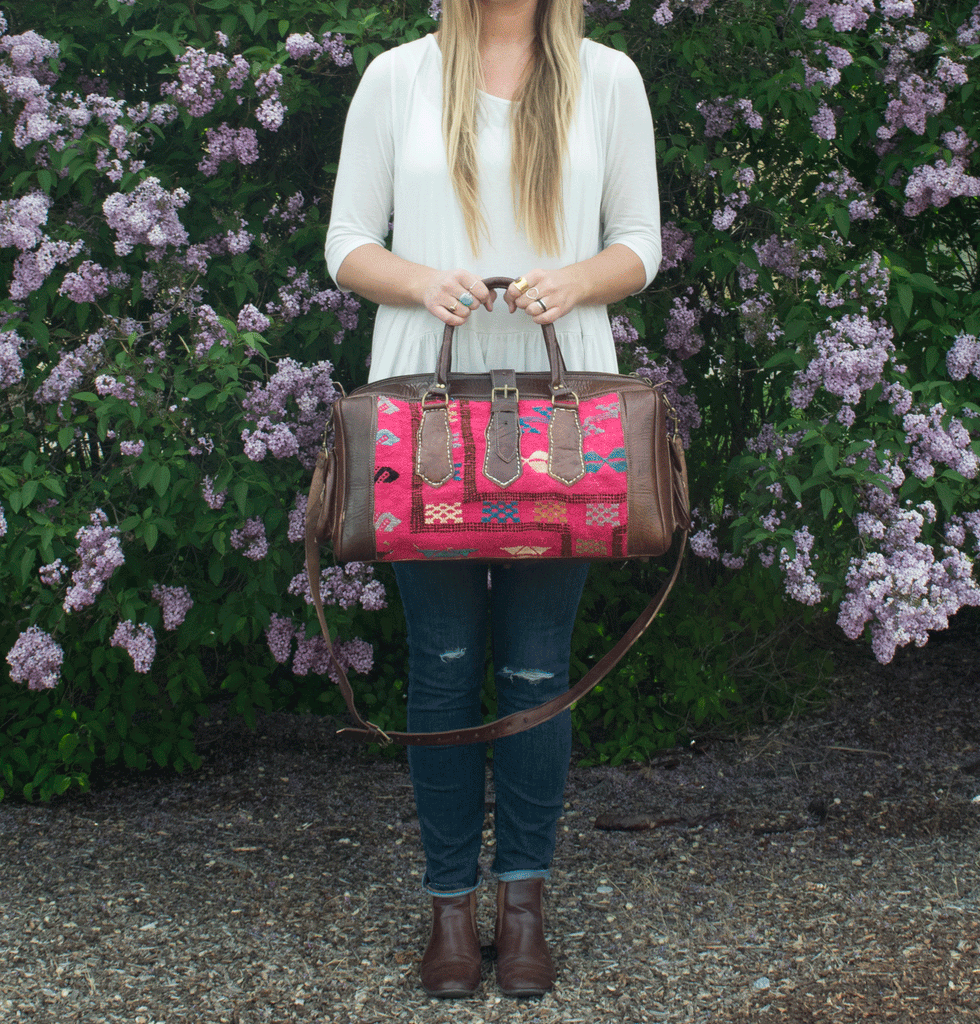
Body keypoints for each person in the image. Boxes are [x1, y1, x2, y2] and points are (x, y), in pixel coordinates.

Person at [324, 0, 661, 999]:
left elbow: (639, 243)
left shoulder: (606, 78)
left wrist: (576, 280)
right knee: (442, 663)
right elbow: (347, 243)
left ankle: (522, 908)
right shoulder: (396, 77)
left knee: (531, 668)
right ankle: (446, 910)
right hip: (421, 427)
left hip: (566, 430)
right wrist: (422, 281)